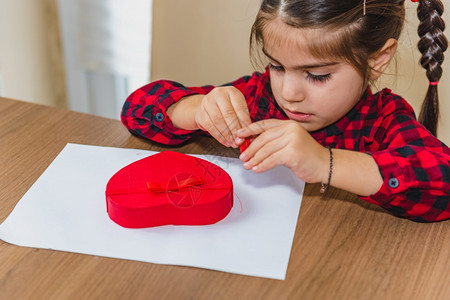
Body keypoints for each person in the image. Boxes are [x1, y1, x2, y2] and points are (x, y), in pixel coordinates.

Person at [121, 0, 450, 222]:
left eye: (317, 75)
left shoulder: (382, 119)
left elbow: (441, 180)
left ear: (377, 60)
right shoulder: (260, 97)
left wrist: (325, 162)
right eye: (277, 66)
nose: (288, 93)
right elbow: (136, 109)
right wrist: (195, 109)